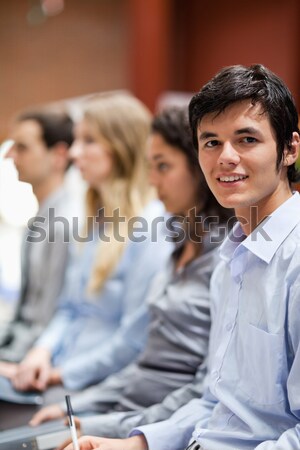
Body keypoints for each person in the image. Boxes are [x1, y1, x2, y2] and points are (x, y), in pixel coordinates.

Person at [64, 63, 300, 450]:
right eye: (211, 142)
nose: (225, 157)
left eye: (246, 139)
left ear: (290, 149)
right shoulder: (231, 262)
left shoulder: (294, 260)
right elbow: (215, 402)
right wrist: (137, 444)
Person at [28, 106, 232, 442]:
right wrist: (80, 406)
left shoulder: (222, 258)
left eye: (163, 167)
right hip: (123, 406)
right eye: (151, 167)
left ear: (200, 169)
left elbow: (197, 389)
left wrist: (109, 424)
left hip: (146, 420)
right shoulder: (175, 242)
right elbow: (146, 363)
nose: (152, 179)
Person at [4, 92, 172, 402]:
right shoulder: (94, 221)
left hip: (93, 385)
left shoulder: (153, 226)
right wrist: (40, 353)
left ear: (122, 147)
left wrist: (61, 374)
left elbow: (132, 341)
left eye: (89, 141)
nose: (75, 153)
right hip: (59, 369)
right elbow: (68, 309)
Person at [0, 109, 76, 367]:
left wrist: (9, 360)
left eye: (22, 147)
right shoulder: (41, 218)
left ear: (58, 155)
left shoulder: (65, 223)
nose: (10, 156)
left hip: (36, 359)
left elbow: (45, 321)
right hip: (19, 346)